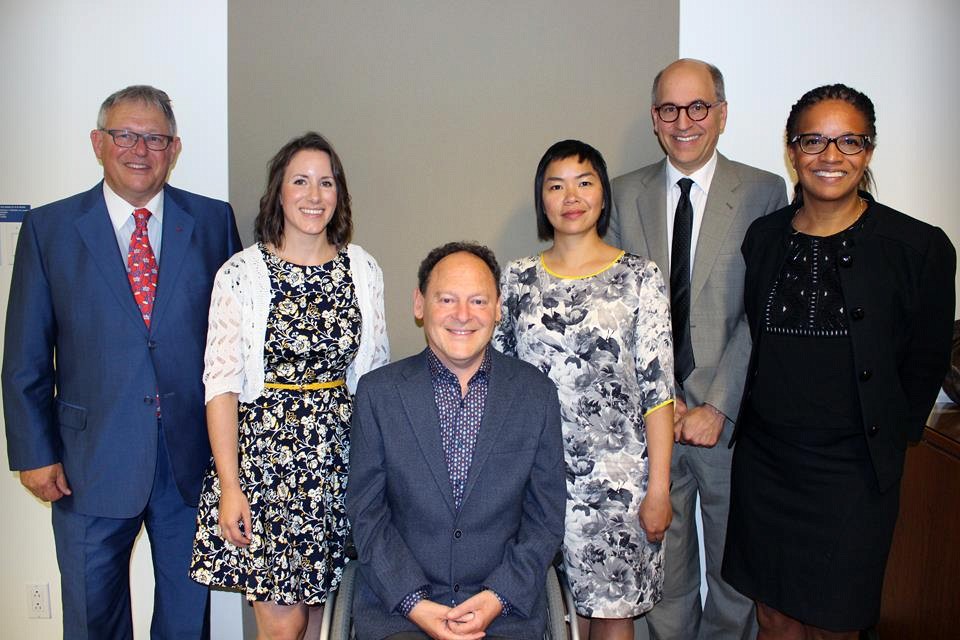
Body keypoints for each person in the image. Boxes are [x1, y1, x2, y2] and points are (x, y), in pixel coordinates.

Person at [2, 85, 241, 639]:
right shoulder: (49, 230)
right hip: (88, 463)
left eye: (154, 138)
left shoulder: (211, 223)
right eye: (125, 135)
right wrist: (34, 454)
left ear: (174, 148)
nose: (140, 149)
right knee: (92, 617)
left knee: (186, 620)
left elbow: (236, 347)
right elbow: (25, 356)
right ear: (98, 143)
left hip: (192, 461)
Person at [722, 84, 956, 639]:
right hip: (769, 463)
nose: (831, 157)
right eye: (814, 141)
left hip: (852, 473)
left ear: (869, 150)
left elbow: (926, 360)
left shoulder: (917, 247)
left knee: (838, 620)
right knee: (772, 612)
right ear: (792, 149)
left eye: (849, 140)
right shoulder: (765, 237)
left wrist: (889, 436)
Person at [608, 58, 788, 640]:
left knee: (734, 579)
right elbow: (614, 317)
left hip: (729, 423)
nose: (684, 121)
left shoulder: (763, 192)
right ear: (654, 119)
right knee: (666, 575)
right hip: (649, 424)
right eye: (669, 109)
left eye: (698, 107)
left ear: (722, 114)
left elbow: (764, 311)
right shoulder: (621, 194)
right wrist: (659, 407)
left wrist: (717, 404)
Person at [189, 132, 389, 639]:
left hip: (340, 461)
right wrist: (230, 487)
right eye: (300, 181)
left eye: (326, 182)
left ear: (339, 194)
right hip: (264, 467)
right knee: (283, 624)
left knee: (325, 619)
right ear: (279, 191)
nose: (314, 195)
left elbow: (375, 380)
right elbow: (221, 387)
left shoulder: (362, 270)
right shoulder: (241, 274)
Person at [494, 140, 674, 639]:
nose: (571, 196)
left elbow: (659, 391)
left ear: (602, 194)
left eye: (584, 182)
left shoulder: (641, 277)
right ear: (542, 200)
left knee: (612, 616)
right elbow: (500, 381)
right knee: (538, 614)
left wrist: (658, 488)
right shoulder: (517, 279)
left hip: (618, 483)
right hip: (533, 477)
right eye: (556, 185)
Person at [346, 242, 566, 640]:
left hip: (504, 614)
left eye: (478, 301)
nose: (462, 315)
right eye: (446, 299)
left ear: (498, 308)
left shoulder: (536, 394)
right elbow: (367, 514)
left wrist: (498, 596)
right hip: (400, 616)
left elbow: (545, 518)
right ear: (419, 304)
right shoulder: (378, 394)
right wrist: (414, 603)